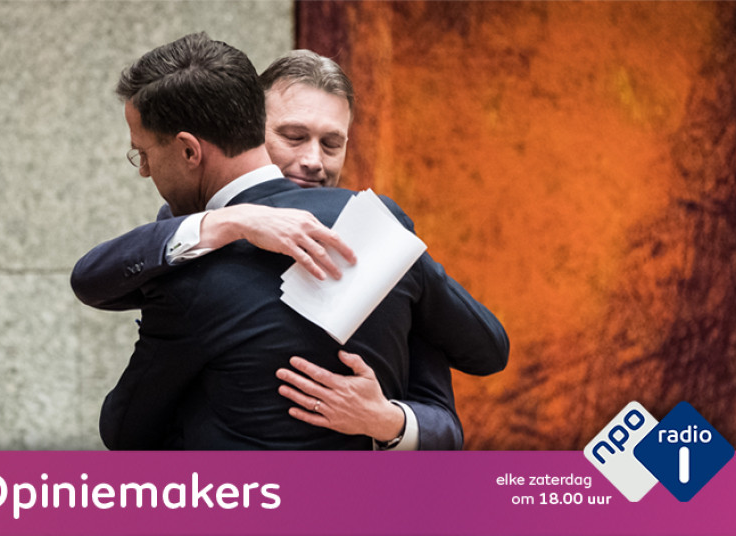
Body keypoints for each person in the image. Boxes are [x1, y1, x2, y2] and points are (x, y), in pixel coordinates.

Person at [75, 32, 508, 450]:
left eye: (332, 143)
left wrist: (391, 422)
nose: (312, 161)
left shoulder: (381, 236)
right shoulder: (190, 239)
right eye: (293, 136)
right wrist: (231, 221)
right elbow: (93, 279)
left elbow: (478, 359)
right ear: (251, 126)